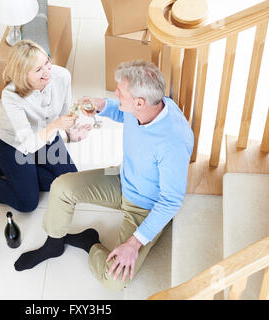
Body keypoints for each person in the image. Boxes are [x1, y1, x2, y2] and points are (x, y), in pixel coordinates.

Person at [14, 60, 194, 291]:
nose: (115, 93)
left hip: (146, 207)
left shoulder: (173, 142)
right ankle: (54, 243)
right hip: (122, 177)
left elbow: (171, 201)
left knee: (114, 281)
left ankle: (90, 243)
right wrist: (102, 106)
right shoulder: (146, 106)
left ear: (139, 102)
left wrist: (135, 242)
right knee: (61, 186)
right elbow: (122, 112)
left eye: (120, 92)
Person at [0, 40, 91, 212]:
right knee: (28, 203)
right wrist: (55, 126)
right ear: (23, 75)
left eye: (47, 62)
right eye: (39, 70)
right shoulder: (11, 95)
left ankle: (11, 170)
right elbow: (27, 144)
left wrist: (71, 132)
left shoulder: (62, 76)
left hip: (46, 134)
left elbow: (64, 112)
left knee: (69, 180)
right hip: (14, 143)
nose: (48, 72)